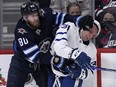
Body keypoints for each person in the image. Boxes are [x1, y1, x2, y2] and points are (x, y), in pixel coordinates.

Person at [6, 2, 95, 87]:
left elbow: (62, 18)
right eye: (33, 16)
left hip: (42, 64)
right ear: (25, 18)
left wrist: (78, 20)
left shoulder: (45, 14)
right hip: (21, 62)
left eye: (36, 14)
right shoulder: (21, 31)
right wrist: (58, 61)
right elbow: (36, 56)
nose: (36, 18)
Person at [48, 19, 101, 87]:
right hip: (51, 73)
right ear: (84, 26)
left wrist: (81, 73)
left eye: (93, 35)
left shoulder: (92, 49)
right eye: (90, 32)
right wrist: (76, 54)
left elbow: (91, 71)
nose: (90, 36)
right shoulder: (70, 27)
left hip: (71, 79)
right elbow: (59, 47)